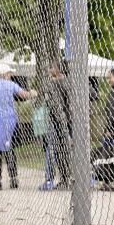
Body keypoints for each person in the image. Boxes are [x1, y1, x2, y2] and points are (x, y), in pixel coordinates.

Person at [45, 61, 72, 189]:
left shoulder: (55, 84)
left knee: (59, 151)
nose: (51, 69)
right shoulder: (71, 82)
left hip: (59, 122)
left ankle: (65, 178)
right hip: (70, 121)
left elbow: (53, 104)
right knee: (69, 150)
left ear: (58, 70)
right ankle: (71, 178)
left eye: (53, 67)